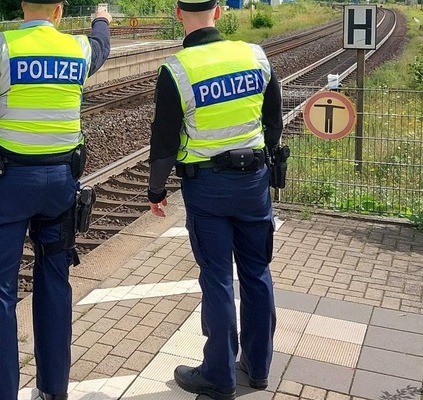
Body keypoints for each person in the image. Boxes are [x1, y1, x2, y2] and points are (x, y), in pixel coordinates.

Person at [0, 2, 111, 399]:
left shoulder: (0, 48)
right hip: (61, 186)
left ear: (23, 5)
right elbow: (102, 45)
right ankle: (54, 390)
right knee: (54, 281)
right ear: (58, 9)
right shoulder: (79, 51)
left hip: (9, 186)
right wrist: (100, 19)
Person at [146, 1, 283, 399]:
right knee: (257, 272)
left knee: (219, 279)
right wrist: (264, 158)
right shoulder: (255, 55)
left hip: (206, 190)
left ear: (178, 13)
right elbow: (273, 118)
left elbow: (164, 142)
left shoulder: (177, 71)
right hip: (254, 183)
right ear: (219, 11)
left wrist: (156, 190)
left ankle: (218, 375)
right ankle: (258, 368)